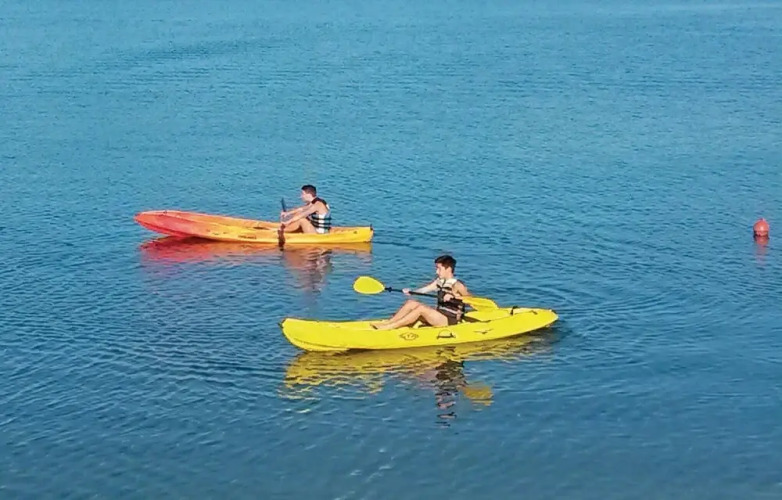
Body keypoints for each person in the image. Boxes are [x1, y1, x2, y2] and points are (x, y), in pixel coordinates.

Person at [371, 255, 470, 330]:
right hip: (438, 314)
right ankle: (389, 322)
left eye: (439, 269)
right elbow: (424, 290)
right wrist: (411, 292)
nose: (436, 272)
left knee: (421, 309)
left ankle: (391, 327)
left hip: (449, 320)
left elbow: (470, 300)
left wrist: (454, 296)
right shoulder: (439, 281)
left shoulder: (458, 285)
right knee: (411, 302)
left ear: (448, 269)